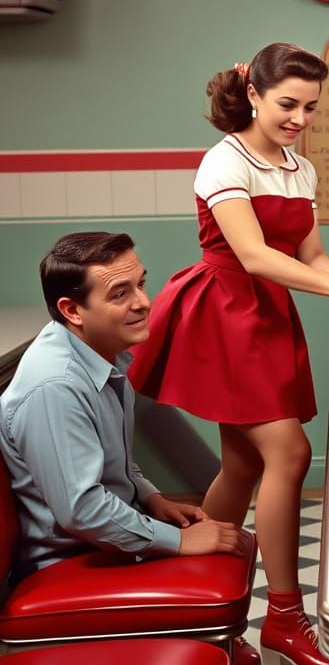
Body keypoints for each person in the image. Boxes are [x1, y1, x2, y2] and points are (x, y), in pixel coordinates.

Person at [128, 42, 329, 665]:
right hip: (224, 313)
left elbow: (311, 251)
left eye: (311, 107)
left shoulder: (300, 169)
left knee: (245, 463)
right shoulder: (224, 160)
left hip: (268, 318)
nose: (300, 118)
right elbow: (252, 255)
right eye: (288, 104)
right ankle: (284, 615)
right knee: (289, 455)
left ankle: (209, 614)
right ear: (253, 94)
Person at [0, 232, 246, 594]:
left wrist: (151, 497)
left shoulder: (99, 354)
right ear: (72, 310)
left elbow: (114, 460)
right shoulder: (55, 386)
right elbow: (82, 510)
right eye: (121, 294)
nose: (144, 302)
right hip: (68, 561)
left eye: (141, 284)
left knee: (228, 544)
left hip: (97, 541)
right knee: (217, 547)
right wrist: (179, 542)